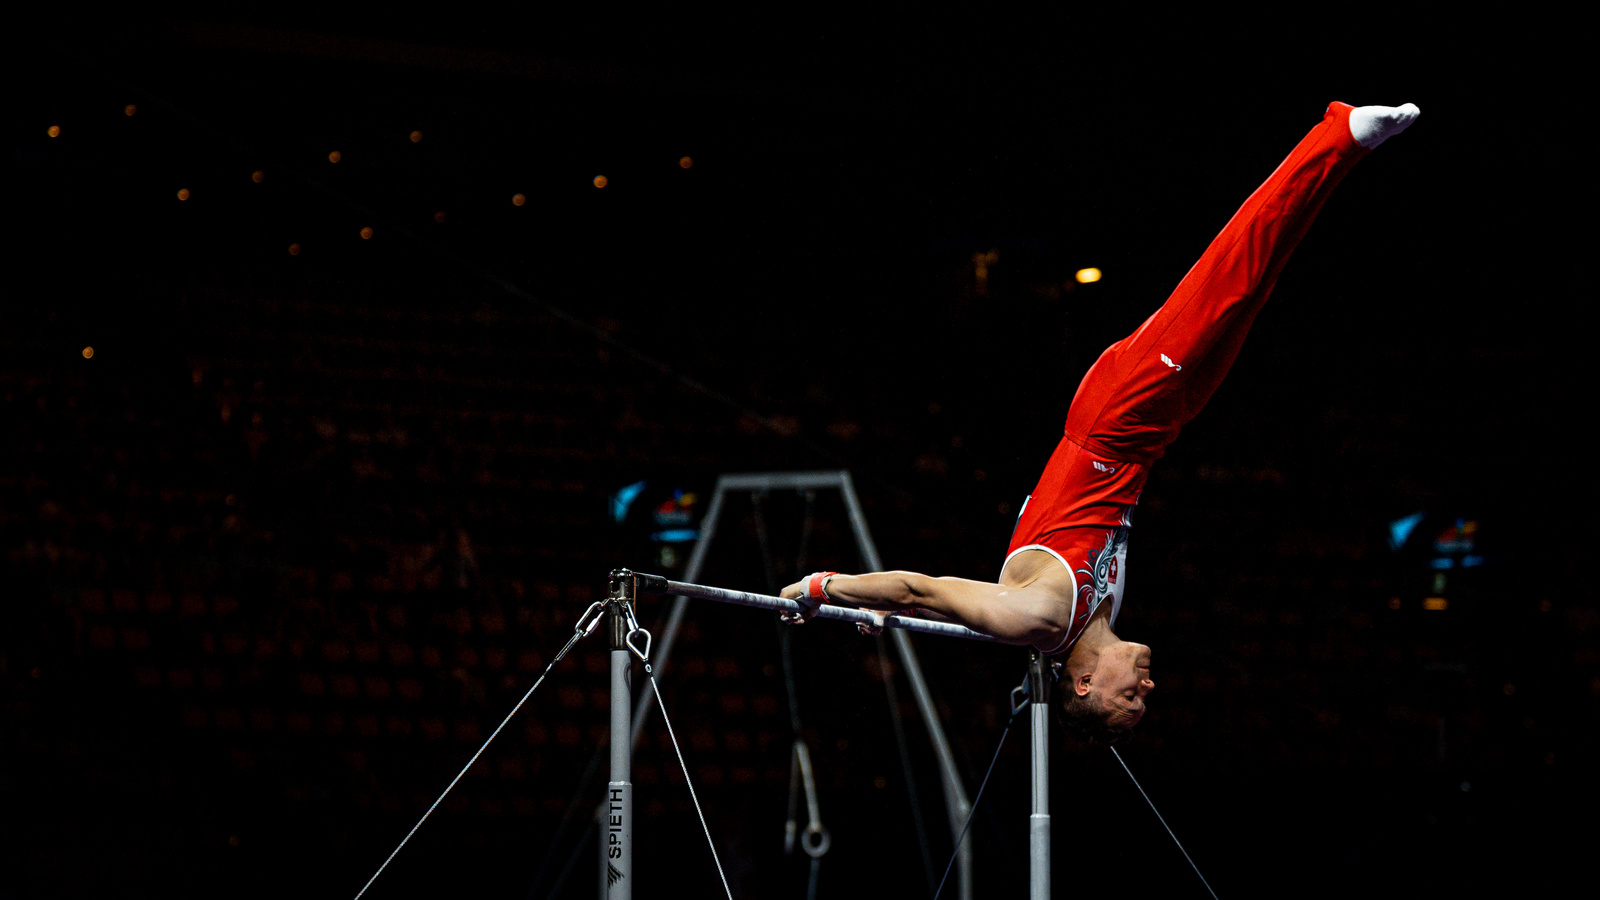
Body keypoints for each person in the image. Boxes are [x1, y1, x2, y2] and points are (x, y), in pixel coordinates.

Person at [780, 101, 1420, 744]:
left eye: (1128, 701)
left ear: (1082, 685)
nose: (1147, 687)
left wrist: (824, 586)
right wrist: (873, 608)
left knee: (1231, 275)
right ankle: (1341, 155)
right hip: (1153, 436)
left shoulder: (1038, 617)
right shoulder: (1095, 617)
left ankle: (1339, 133)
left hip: (1112, 419)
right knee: (1255, 290)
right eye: (1143, 700)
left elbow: (921, 587)